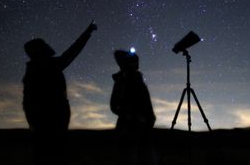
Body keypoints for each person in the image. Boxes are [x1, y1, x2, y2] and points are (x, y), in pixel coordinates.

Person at [22, 21, 97, 164]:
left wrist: (86, 34)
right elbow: (70, 54)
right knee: (51, 153)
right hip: (49, 119)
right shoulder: (43, 69)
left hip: (49, 119)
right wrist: (86, 34)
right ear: (40, 53)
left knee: (48, 152)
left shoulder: (39, 69)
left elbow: (27, 101)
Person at [110, 50, 157, 165]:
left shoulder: (137, 80)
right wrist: (129, 116)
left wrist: (149, 118)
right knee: (128, 158)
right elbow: (114, 105)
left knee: (146, 157)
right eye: (129, 62)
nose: (133, 65)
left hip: (143, 127)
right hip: (128, 128)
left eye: (134, 63)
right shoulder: (121, 81)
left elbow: (146, 104)